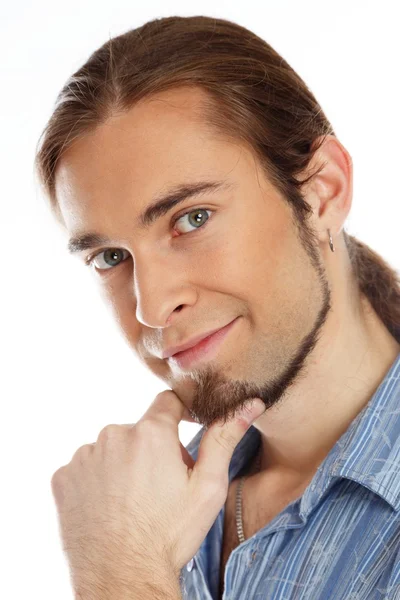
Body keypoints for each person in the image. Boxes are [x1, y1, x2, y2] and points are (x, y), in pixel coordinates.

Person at [35, 15, 400, 600]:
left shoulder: (124, 537)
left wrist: (121, 574)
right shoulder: (146, 500)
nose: (152, 306)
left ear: (321, 191)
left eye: (192, 219)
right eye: (109, 257)